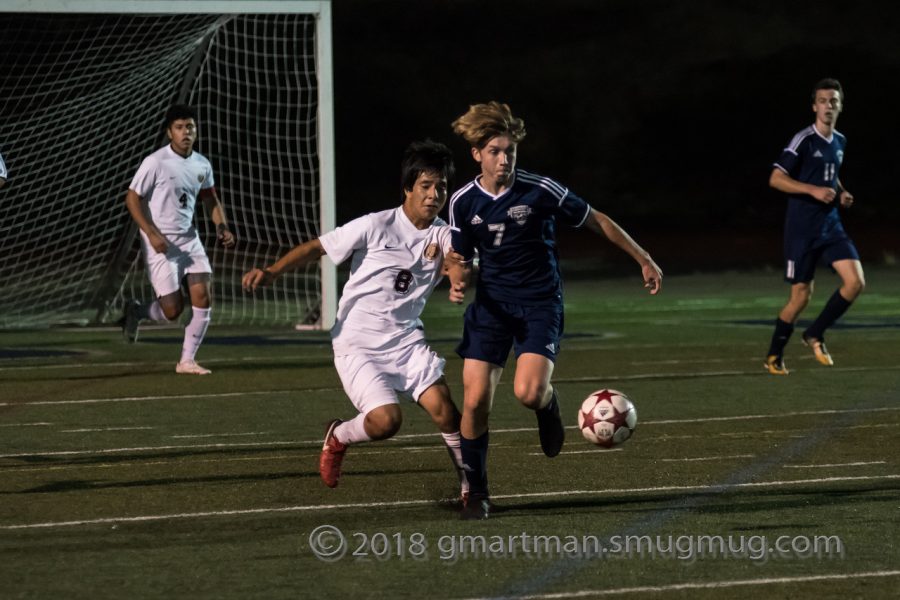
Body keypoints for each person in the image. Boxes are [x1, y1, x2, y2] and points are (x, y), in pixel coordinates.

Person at [447, 101, 663, 519]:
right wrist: (458, 277)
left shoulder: (540, 189)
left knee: (527, 392)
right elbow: (459, 256)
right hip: (491, 307)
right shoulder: (461, 202)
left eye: (510, 150)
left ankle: (547, 404)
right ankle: (476, 491)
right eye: (495, 151)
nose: (504, 158)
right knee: (474, 402)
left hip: (540, 303)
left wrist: (643, 257)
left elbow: (596, 219)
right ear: (477, 154)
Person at [241, 140, 470, 500]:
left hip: (406, 342)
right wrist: (271, 272)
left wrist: (457, 277)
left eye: (441, 186)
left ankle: (470, 488)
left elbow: (456, 257)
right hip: (357, 344)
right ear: (408, 188)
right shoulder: (375, 225)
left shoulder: (442, 232)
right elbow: (317, 247)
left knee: (447, 413)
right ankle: (339, 436)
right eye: (425, 186)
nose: (434, 194)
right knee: (386, 421)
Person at [121, 104, 235, 375]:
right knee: (172, 311)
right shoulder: (155, 162)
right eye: (180, 128)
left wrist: (222, 226)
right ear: (169, 132)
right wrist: (151, 233)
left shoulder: (202, 164)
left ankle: (187, 361)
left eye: (190, 127)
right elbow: (132, 199)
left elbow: (210, 198)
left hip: (189, 239)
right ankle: (137, 311)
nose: (186, 132)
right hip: (159, 243)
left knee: (203, 296)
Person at [764, 78, 864, 375]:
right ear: (814, 106)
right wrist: (813, 190)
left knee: (855, 282)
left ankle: (815, 333)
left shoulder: (841, 141)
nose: (828, 105)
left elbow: (831, 176)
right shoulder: (803, 140)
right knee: (801, 297)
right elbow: (775, 178)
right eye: (823, 100)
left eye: (833, 100)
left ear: (840, 106)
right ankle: (774, 353)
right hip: (802, 229)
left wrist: (840, 191)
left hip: (831, 226)